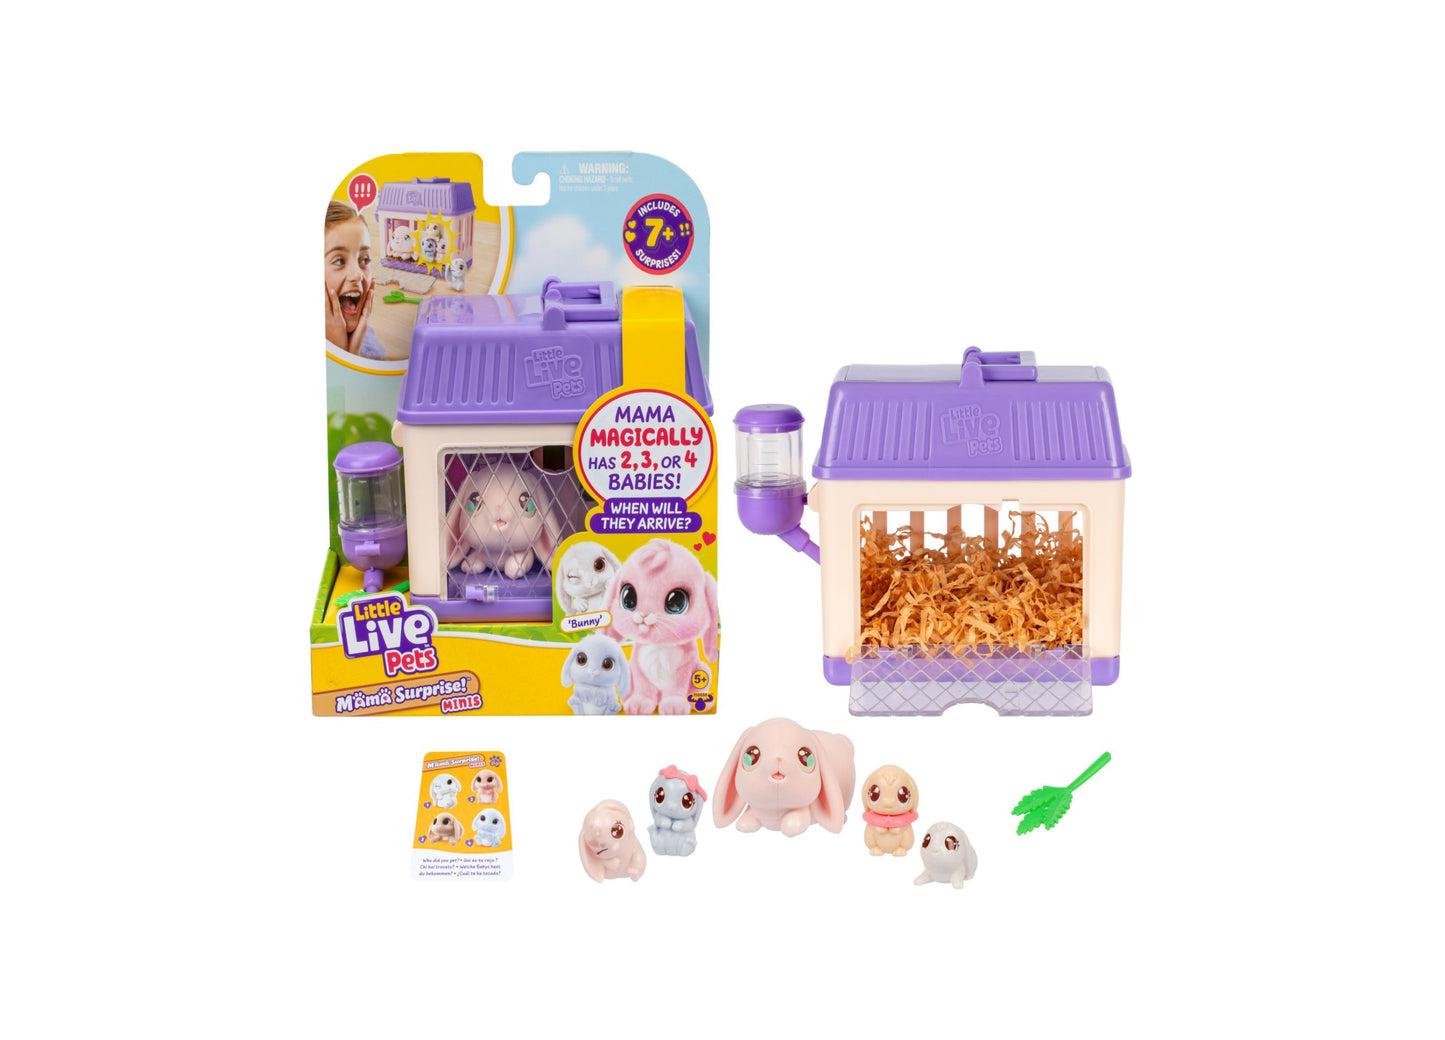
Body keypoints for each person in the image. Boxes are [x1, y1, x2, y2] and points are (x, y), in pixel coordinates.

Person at [324, 200, 384, 360]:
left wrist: (351, 355)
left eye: (364, 260)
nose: (357, 275)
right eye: (339, 261)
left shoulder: (371, 348)